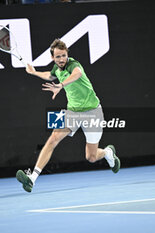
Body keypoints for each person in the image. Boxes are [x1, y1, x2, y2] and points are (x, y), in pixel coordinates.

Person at [16, 39, 120, 193]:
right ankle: (32, 179)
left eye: (63, 55)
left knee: (91, 157)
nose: (61, 59)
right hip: (72, 112)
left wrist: (62, 85)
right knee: (53, 139)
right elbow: (50, 76)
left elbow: (77, 74)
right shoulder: (56, 69)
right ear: (53, 58)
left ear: (67, 55)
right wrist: (34, 72)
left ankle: (107, 153)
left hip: (93, 113)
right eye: (58, 56)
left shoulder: (73, 65)